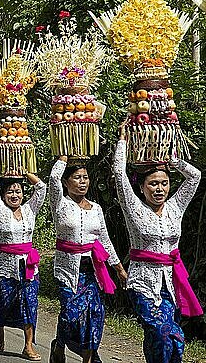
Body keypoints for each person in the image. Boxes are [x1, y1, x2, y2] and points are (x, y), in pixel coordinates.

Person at [113, 129, 202, 363]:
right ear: (142, 187)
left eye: (164, 183)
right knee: (164, 333)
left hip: (170, 284)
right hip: (141, 283)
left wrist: (171, 159)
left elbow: (194, 176)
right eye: (153, 184)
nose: (159, 189)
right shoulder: (134, 208)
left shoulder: (176, 207)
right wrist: (123, 142)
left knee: (170, 342)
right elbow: (119, 175)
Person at [49, 156, 127, 363]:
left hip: (92, 271)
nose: (82, 181)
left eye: (85, 177)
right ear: (66, 182)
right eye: (76, 177)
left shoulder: (96, 209)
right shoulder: (60, 203)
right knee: (70, 315)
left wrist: (118, 268)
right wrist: (63, 159)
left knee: (94, 315)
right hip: (67, 270)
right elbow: (53, 179)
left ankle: (89, 358)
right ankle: (59, 344)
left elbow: (105, 240)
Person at [0, 167, 46, 361]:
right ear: (3, 195)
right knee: (5, 302)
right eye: (10, 191)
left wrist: (25, 171)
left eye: (18, 191)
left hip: (27, 266)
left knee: (30, 303)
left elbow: (41, 187)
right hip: (4, 266)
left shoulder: (29, 209)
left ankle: (27, 345)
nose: (14, 195)